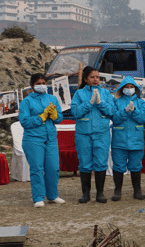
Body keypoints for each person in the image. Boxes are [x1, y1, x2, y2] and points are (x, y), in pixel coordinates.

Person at [19, 73, 64, 207]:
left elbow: (59, 118)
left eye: (44, 83)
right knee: (37, 168)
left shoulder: (52, 99)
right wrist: (41, 117)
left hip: (50, 138)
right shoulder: (26, 101)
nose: (42, 86)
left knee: (53, 168)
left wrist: (55, 116)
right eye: (38, 83)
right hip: (33, 139)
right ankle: (38, 197)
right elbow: (24, 121)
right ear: (32, 85)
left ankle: (52, 195)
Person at [71, 66, 114, 204]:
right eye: (92, 77)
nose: (96, 80)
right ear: (86, 79)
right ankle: (86, 194)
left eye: (97, 77)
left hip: (101, 133)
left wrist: (100, 103)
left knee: (101, 163)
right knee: (84, 163)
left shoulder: (106, 93)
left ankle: (100, 193)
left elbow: (112, 110)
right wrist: (89, 104)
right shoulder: (79, 94)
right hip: (83, 134)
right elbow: (76, 112)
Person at [109, 76, 145, 201]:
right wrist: (125, 111)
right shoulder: (116, 102)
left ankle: (137, 191)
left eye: (132, 87)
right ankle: (117, 191)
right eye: (127, 87)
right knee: (118, 165)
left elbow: (143, 119)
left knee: (136, 165)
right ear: (122, 88)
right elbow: (114, 118)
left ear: (136, 89)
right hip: (119, 139)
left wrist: (135, 110)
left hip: (136, 140)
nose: (129, 89)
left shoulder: (141, 103)